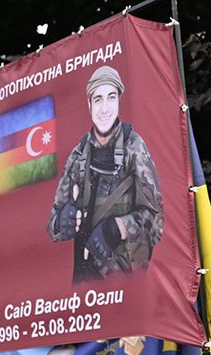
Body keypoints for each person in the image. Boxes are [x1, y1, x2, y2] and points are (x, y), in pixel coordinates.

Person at [47, 65, 164, 282]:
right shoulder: (79, 154)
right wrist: (63, 220)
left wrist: (116, 228)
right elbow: (52, 223)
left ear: (119, 101)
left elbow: (156, 218)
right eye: (98, 99)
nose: (104, 108)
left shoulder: (134, 147)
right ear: (89, 105)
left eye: (111, 97)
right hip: (83, 282)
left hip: (122, 284)